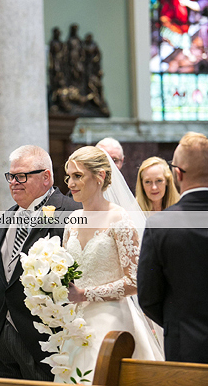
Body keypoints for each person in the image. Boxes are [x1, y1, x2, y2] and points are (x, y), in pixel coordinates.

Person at [58, 146, 163, 383]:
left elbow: (134, 281)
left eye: (78, 176)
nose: (71, 183)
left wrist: (85, 294)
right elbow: (66, 271)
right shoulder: (72, 220)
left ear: (100, 176)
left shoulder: (119, 218)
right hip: (75, 322)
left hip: (111, 320)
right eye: (69, 177)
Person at [0, 145, 79, 381]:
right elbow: (1, 284)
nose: (14, 182)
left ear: (46, 177)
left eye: (22, 176)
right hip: (0, 339)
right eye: (11, 176)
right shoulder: (7, 216)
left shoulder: (71, 212)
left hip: (44, 340)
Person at [138, 132, 208, 363]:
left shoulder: (161, 224)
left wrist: (176, 323)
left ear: (177, 174)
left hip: (186, 348)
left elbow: (148, 297)